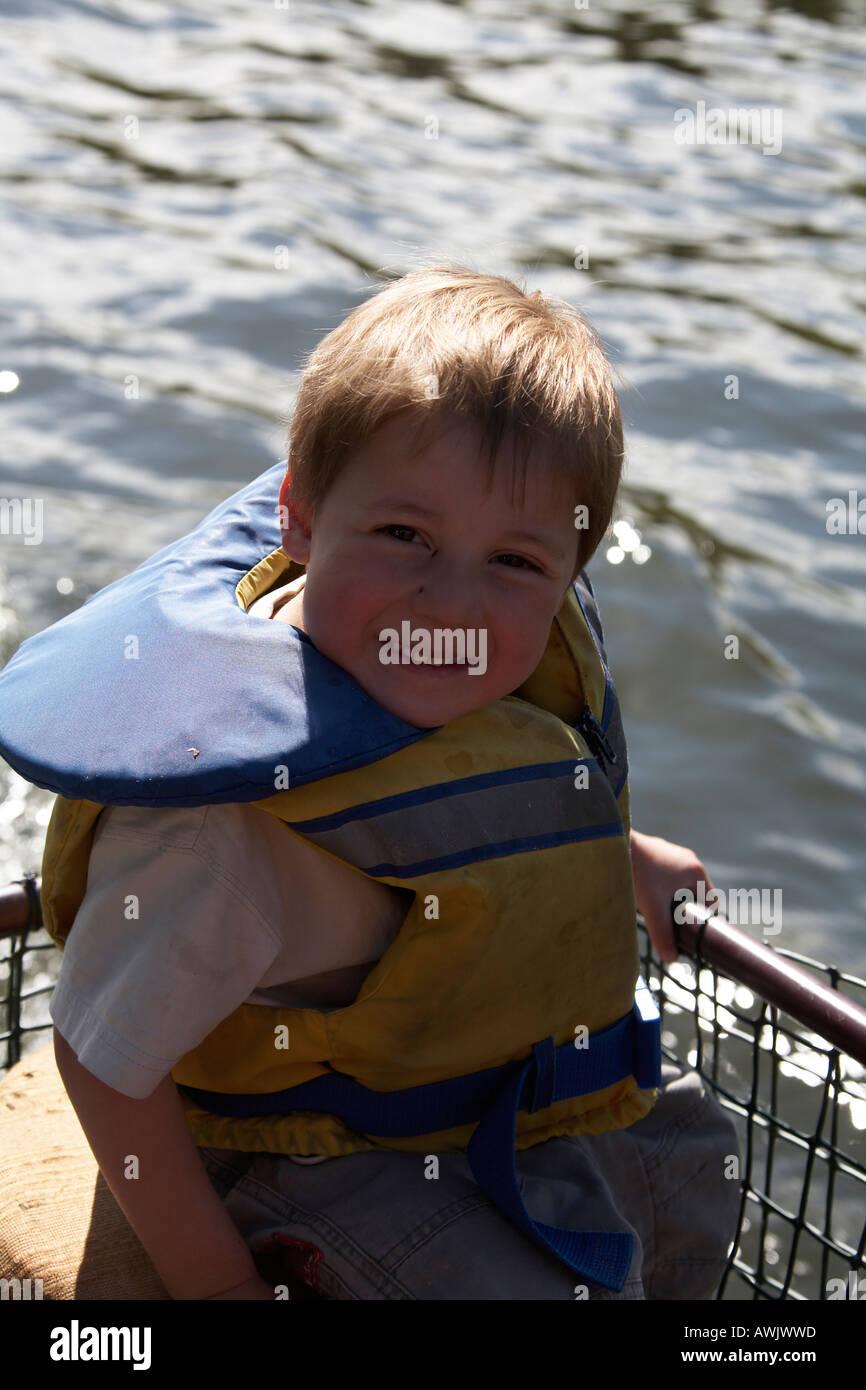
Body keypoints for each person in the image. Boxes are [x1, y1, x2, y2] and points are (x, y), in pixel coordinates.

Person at [12, 263, 740, 1298]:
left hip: (483, 1093)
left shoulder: (450, 661)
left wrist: (625, 858)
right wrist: (215, 1287)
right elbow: (97, 1057)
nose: (449, 600)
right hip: (309, 1150)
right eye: (403, 535)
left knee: (691, 1158)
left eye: (514, 564)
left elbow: (492, 803)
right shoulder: (221, 828)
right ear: (299, 520)